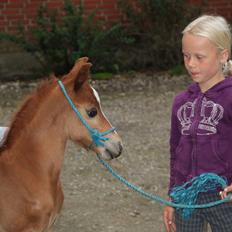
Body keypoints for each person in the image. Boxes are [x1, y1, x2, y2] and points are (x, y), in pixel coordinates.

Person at [163, 15, 232, 232]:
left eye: (199, 57)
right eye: (186, 56)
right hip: (186, 196)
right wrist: (172, 197)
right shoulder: (180, 102)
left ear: (223, 55)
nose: (191, 64)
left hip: (224, 196)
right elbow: (175, 152)